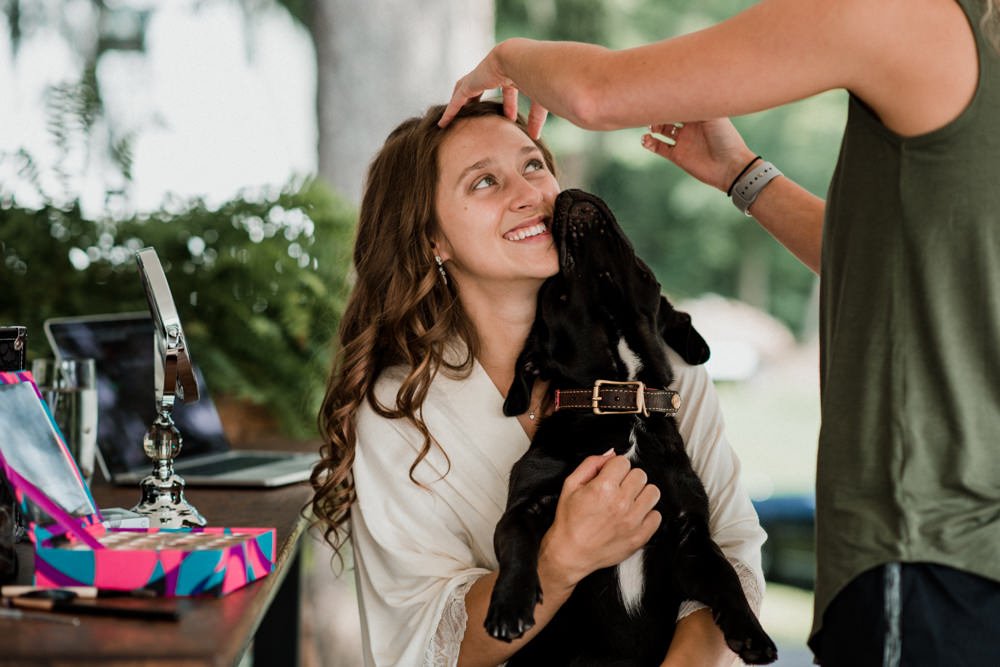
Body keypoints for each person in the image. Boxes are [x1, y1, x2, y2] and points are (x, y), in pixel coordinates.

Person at [439, 0, 1000, 665]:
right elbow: (904, 267)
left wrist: (506, 59)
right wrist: (742, 175)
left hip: (931, 553)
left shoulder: (913, 19)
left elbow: (597, 92)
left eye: (535, 167)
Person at [310, 100, 768, 667]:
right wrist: (559, 561)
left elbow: (732, 554)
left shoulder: (661, 363)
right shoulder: (402, 412)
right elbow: (423, 639)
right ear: (433, 239)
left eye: (532, 166)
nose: (528, 194)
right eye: (484, 182)